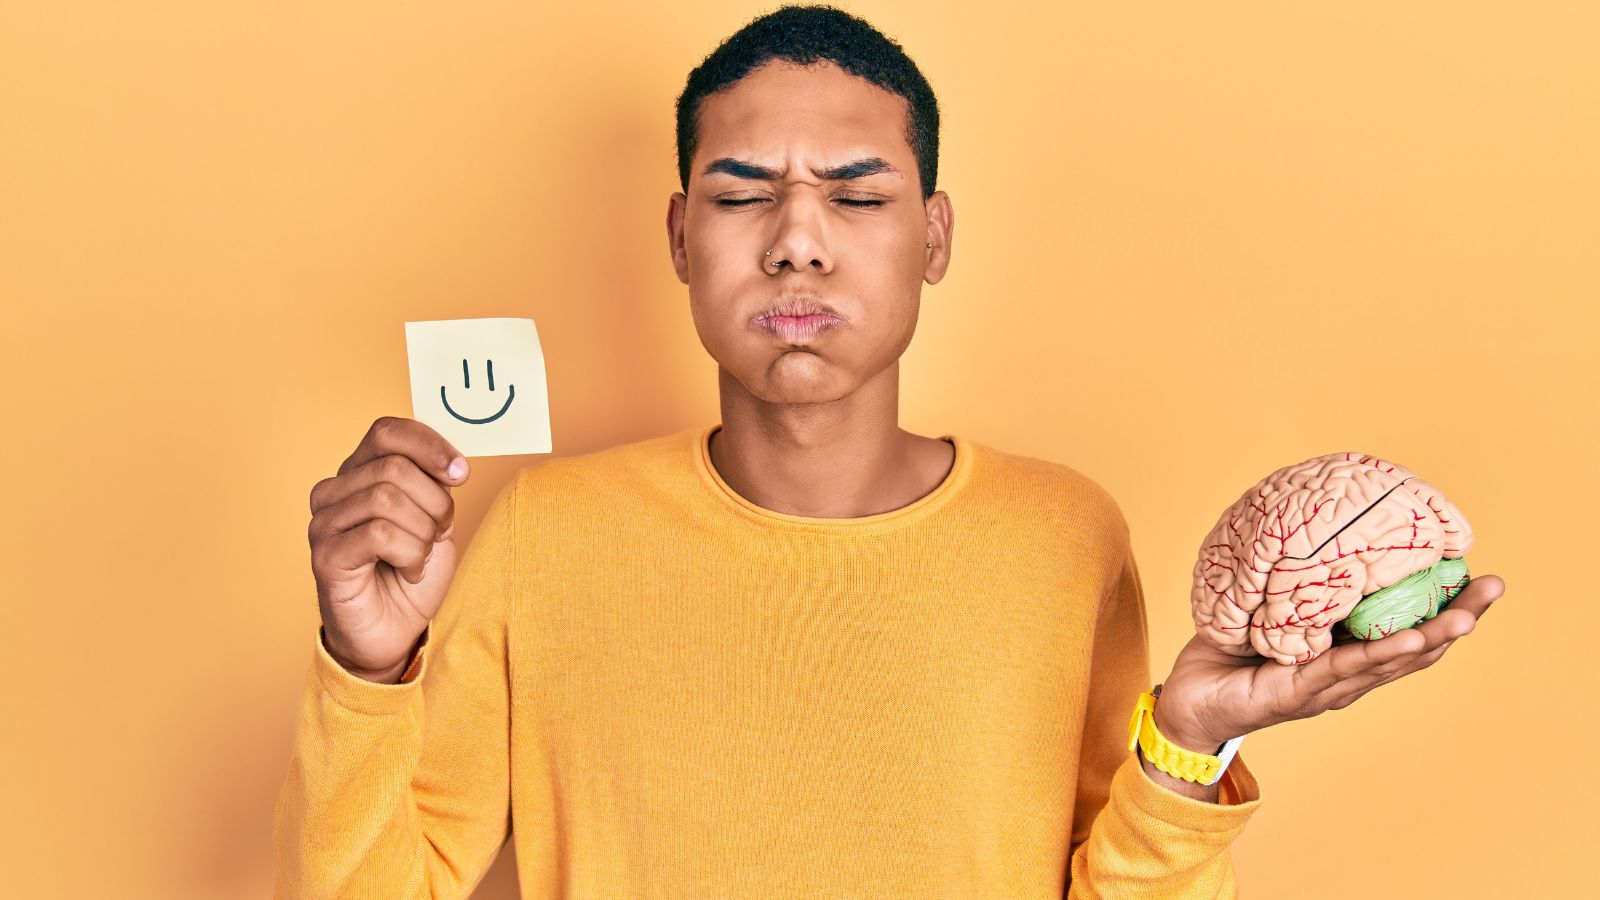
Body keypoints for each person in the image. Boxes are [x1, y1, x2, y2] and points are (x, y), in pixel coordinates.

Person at [272, 5, 1504, 897]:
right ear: (678, 235)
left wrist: (1185, 747)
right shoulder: (549, 532)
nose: (798, 242)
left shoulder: (1066, 536)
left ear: (933, 236)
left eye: (857, 197)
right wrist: (364, 672)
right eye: (743, 194)